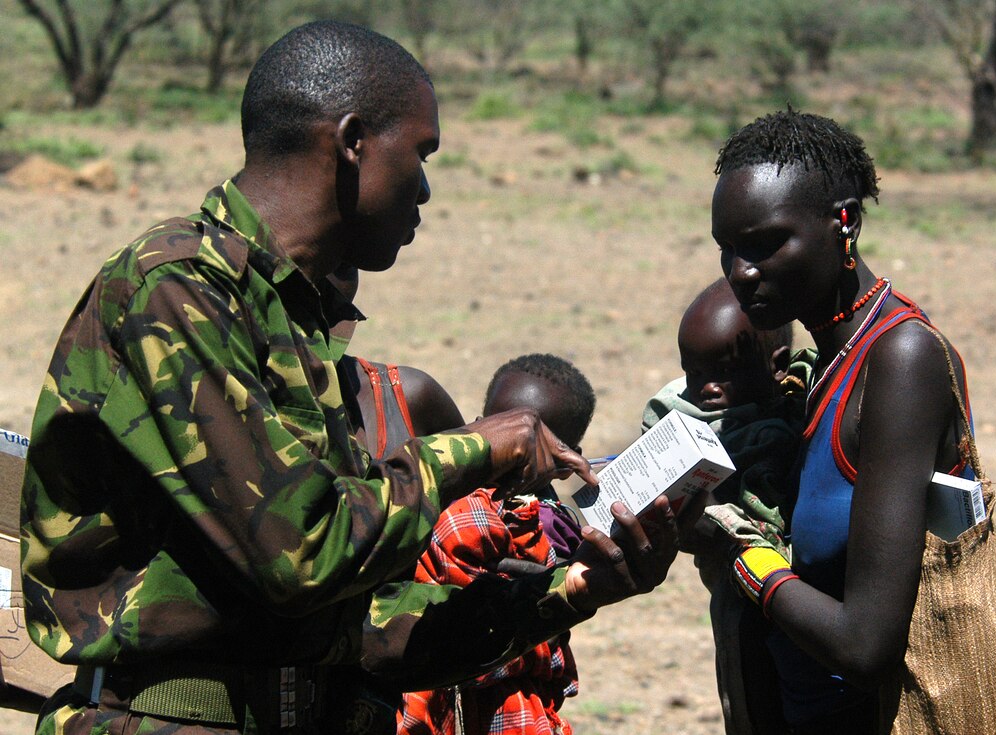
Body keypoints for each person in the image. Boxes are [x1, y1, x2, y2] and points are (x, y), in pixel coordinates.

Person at [20, 21, 678, 735]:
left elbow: (358, 627)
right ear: (353, 140)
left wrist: (576, 587)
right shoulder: (175, 290)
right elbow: (299, 554)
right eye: (420, 154)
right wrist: (479, 448)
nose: (424, 188)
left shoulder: (294, 319)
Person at [710, 109, 996, 733]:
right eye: (728, 250)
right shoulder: (822, 360)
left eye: (765, 243)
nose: (740, 274)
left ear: (844, 222)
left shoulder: (900, 361)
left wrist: (740, 553)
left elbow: (865, 645)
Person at [642, 277, 811, 734]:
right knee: (749, 701)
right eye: (694, 374)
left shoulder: (799, 416)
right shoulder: (693, 423)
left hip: (800, 599)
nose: (706, 390)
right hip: (737, 603)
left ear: (778, 366)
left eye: (722, 374)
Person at [399, 353, 593, 735]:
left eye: (539, 449)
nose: (518, 454)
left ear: (568, 461)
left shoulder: (552, 528)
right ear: (477, 429)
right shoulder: (444, 494)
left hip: (504, 698)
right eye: (505, 433)